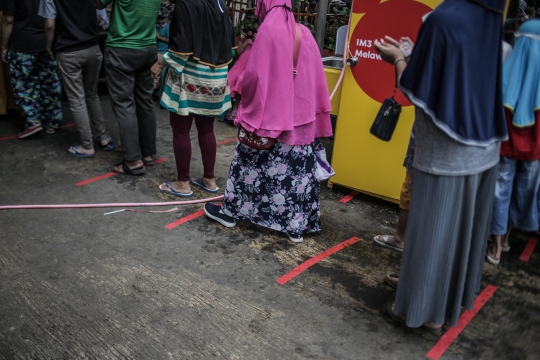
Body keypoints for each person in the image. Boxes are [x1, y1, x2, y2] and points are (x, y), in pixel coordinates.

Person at [374, 0, 507, 332]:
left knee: (432, 231)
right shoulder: (490, 16)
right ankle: (441, 302)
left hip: (445, 149)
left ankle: (420, 312)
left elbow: (414, 86)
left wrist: (399, 59)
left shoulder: (444, 18)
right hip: (483, 145)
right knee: (460, 235)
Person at [203, 0, 333, 243]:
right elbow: (316, 78)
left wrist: (245, 103)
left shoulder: (268, 32)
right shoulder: (304, 33)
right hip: (300, 119)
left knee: (247, 168)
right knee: (295, 176)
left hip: (270, 120)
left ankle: (231, 212)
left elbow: (254, 77)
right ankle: (295, 227)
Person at [151, 0, 236, 197]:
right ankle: (209, 179)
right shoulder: (219, 4)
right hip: (216, 78)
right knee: (207, 129)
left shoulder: (186, 4)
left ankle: (183, 183)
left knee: (181, 129)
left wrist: (160, 64)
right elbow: (230, 46)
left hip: (191, 77)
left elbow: (180, 49)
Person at [487, 20, 540, 265]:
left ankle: (496, 248)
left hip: (506, 147)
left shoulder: (507, 73)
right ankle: (506, 239)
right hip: (535, 150)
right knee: (523, 193)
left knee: (500, 193)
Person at [39, 0, 114, 158]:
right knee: (92, 94)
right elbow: (97, 16)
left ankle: (87, 146)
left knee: (77, 100)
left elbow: (50, 24)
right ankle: (104, 138)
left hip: (68, 51)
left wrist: (48, 46)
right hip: (92, 48)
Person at [94, 0, 161, 175]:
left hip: (121, 48)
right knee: (145, 102)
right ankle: (147, 153)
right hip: (147, 47)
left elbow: (98, 4)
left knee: (124, 104)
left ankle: (133, 160)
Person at [1, 0, 62, 139]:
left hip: (23, 43)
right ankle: (51, 123)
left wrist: (3, 46)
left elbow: (8, 19)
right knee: (50, 83)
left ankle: (33, 122)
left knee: (24, 84)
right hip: (49, 42)